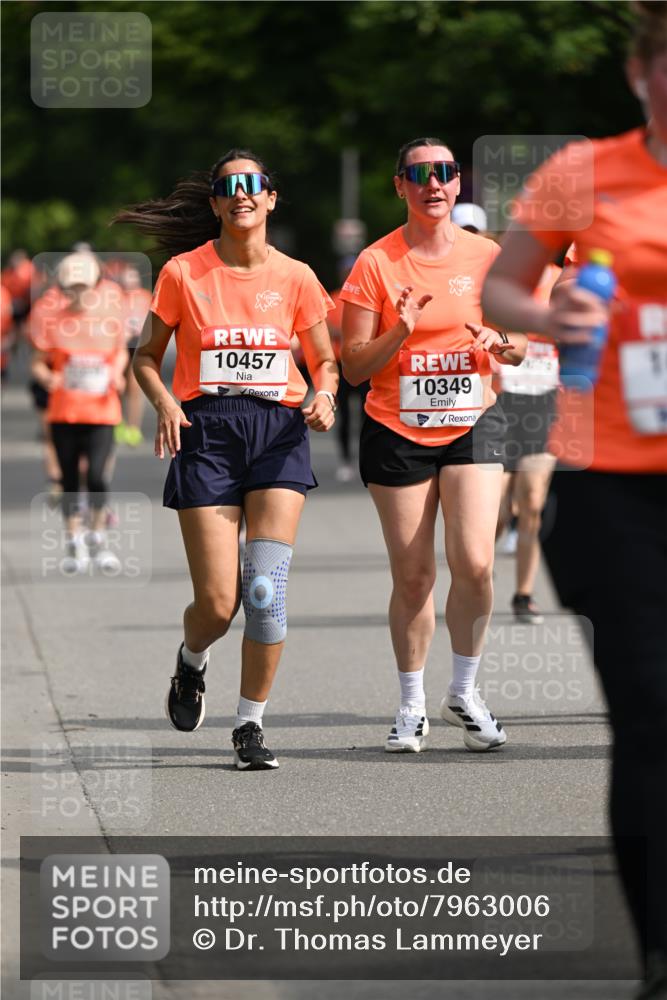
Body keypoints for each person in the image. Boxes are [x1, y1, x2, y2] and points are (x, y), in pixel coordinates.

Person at [481, 6, 667, 996]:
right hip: (612, 487)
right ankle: (657, 955)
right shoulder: (583, 173)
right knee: (650, 710)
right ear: (641, 73)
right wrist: (550, 308)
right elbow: (500, 292)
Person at [115, 149, 338, 771]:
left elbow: (324, 361)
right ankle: (191, 663)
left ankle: (249, 726)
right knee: (218, 604)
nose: (242, 194)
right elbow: (144, 357)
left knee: (265, 592)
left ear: (270, 198)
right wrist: (163, 401)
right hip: (206, 432)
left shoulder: (296, 276)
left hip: (277, 432)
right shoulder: (184, 273)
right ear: (215, 202)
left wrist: (324, 394)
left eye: (254, 184)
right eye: (228, 186)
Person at [340, 137, 527, 754]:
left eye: (445, 172)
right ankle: (411, 702)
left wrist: (500, 344)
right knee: (415, 576)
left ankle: (465, 692)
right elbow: (354, 369)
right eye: (420, 174)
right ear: (400, 186)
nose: (435, 183)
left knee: (475, 562)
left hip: (473, 418)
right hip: (398, 430)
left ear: (456, 184)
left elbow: (518, 344)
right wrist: (401, 327)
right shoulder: (376, 264)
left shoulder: (487, 254)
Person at [30, 252, 128, 573]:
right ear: (62, 287)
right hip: (64, 413)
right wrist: (49, 377)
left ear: (95, 285)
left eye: (83, 286)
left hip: (102, 412)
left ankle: (99, 539)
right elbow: (38, 363)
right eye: (71, 287)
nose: (78, 293)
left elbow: (120, 355)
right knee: (70, 480)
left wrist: (117, 372)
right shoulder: (54, 320)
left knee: (98, 477)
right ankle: (74, 542)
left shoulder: (108, 316)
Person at [493, 262, 561, 623]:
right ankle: (478, 575)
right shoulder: (500, 274)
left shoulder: (561, 277)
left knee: (532, 502)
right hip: (502, 403)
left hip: (544, 403)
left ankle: (523, 594)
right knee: (496, 511)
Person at [116, 263, 152, 446]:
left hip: (137, 343)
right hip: (119, 344)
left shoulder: (145, 297)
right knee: (119, 386)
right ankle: (119, 422)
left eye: (132, 276)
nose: (129, 280)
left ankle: (134, 427)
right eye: (126, 276)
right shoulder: (116, 297)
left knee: (134, 387)